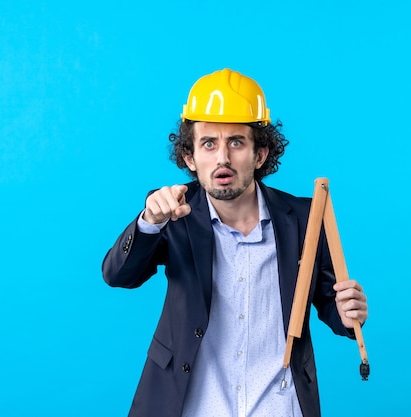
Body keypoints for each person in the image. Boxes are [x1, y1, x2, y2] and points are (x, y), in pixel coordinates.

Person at [102, 68, 368, 417]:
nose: (222, 158)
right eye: (208, 143)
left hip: (279, 404)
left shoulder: (304, 218)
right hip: (191, 406)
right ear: (189, 158)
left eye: (237, 142)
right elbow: (119, 276)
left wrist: (348, 314)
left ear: (260, 155)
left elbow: (328, 304)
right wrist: (150, 222)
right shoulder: (173, 211)